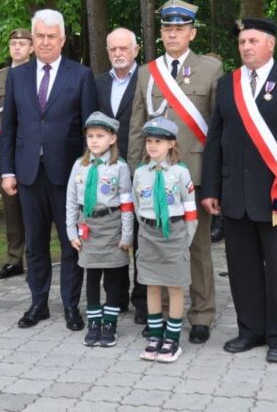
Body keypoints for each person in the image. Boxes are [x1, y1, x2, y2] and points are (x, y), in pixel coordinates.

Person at [202, 18, 277, 364]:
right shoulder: (228, 84)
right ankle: (250, 330)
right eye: (242, 42)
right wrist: (211, 187)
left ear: (271, 43)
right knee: (242, 268)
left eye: (253, 40)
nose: (246, 47)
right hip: (235, 195)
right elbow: (215, 141)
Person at [128, 0, 220, 344]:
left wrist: (212, 183)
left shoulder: (211, 70)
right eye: (167, 28)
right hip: (152, 180)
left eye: (179, 29)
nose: (172, 34)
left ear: (192, 33)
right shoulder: (145, 73)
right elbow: (138, 126)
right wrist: (136, 174)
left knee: (195, 249)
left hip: (192, 176)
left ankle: (201, 314)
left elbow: (216, 131)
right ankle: (164, 314)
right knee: (156, 247)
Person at [0, 9, 98, 331]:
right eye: (39, 36)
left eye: (51, 36)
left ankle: (71, 306)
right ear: (32, 39)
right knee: (35, 243)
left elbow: (90, 131)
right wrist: (7, 171)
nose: (45, 42)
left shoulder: (80, 75)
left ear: (62, 40)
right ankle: (38, 303)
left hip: (68, 176)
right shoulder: (17, 76)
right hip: (28, 174)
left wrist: (88, 175)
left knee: (71, 242)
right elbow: (9, 127)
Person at [66, 112, 134, 347]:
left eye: (100, 136)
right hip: (89, 226)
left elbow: (126, 203)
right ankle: (94, 322)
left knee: (113, 278)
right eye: (90, 136)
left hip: (112, 226)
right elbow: (72, 200)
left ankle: (110, 322)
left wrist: (127, 234)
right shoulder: (80, 164)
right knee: (92, 277)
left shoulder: (120, 167)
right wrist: (71, 231)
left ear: (112, 139)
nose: (94, 141)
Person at [134, 117, 198, 363]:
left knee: (175, 286)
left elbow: (191, 211)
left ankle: (172, 338)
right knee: (151, 284)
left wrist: (185, 239)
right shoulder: (140, 173)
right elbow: (139, 206)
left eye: (158, 141)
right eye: (149, 141)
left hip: (175, 233)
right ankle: (155, 335)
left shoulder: (181, 172)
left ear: (171, 143)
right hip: (149, 234)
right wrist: (146, 230)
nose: (152, 146)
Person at [95, 27, 146, 323]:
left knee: (140, 235)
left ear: (136, 50)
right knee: (113, 234)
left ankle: (142, 300)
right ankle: (116, 298)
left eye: (124, 48)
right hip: (106, 173)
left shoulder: (147, 78)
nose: (118, 53)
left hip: (139, 168)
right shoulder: (98, 82)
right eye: (113, 49)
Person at [0, 28, 31, 280]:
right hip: (4, 151)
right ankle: (14, 259)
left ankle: (37, 257)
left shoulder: (38, 74)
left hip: (31, 150)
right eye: (13, 43)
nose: (17, 48)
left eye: (22, 44)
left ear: (31, 48)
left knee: (35, 209)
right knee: (12, 210)